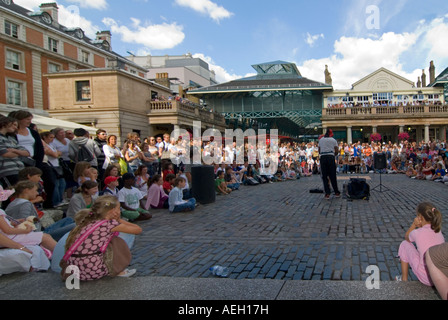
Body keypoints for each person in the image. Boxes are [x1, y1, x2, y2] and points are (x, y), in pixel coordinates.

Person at [63, 195, 142, 280]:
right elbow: (138, 230)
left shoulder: (90, 220)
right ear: (113, 211)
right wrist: (119, 220)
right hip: (92, 270)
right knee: (116, 241)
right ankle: (118, 270)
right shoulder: (109, 223)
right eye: (119, 208)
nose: (120, 211)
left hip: (77, 270)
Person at [5, 181, 75, 241]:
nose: (37, 193)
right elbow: (24, 223)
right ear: (27, 190)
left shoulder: (15, 202)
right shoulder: (25, 204)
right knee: (74, 226)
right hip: (37, 235)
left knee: (68, 219)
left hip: (39, 231)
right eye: (35, 190)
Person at [397, 202, 445, 286]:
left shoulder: (417, 233)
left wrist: (414, 225)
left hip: (426, 278)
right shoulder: (438, 231)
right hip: (440, 277)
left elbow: (407, 237)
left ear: (420, 217)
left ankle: (404, 279)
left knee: (404, 244)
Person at [0, 116, 29, 189]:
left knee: (20, 192)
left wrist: (14, 150)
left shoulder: (11, 139)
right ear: (6, 124)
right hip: (7, 170)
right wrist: (19, 152)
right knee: (10, 193)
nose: (16, 128)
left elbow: (27, 153)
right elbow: (6, 154)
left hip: (19, 169)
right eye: (14, 125)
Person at [318, 129, 341, 199]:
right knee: (332, 175)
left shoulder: (321, 140)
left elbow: (319, 150)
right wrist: (333, 155)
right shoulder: (333, 140)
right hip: (330, 156)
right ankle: (336, 192)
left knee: (324, 176)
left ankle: (327, 193)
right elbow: (336, 150)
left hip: (323, 157)